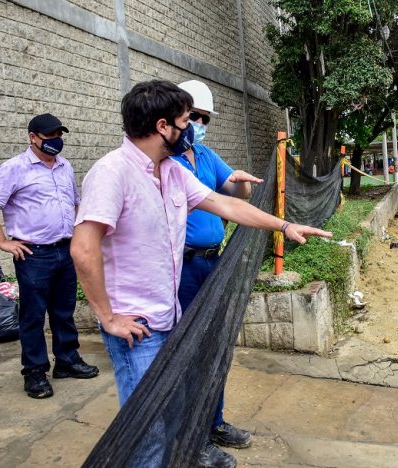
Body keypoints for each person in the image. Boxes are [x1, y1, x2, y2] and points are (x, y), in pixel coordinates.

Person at [70, 80, 331, 468]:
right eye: (184, 120)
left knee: (172, 415)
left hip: (170, 313)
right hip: (137, 328)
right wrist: (107, 317)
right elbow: (83, 247)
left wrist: (283, 226)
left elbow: (225, 204)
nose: (190, 127)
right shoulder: (112, 173)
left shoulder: (171, 172)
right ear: (163, 127)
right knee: (148, 430)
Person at [0, 113, 99, 400]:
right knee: (33, 316)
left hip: (64, 249)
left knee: (63, 311)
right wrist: (3, 241)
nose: (56, 141)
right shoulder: (15, 168)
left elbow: (75, 204)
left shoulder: (64, 166)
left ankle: (67, 361)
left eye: (59, 135)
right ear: (33, 137)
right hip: (34, 254)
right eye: (49, 136)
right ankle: (34, 372)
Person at [173, 80, 260, 453]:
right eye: (194, 116)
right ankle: (190, 433)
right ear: (177, 117)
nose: (199, 123)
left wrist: (240, 184)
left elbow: (237, 196)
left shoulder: (206, 155)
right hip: (182, 267)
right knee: (186, 349)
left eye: (204, 117)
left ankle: (214, 422)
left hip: (213, 263)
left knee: (215, 345)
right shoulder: (165, 162)